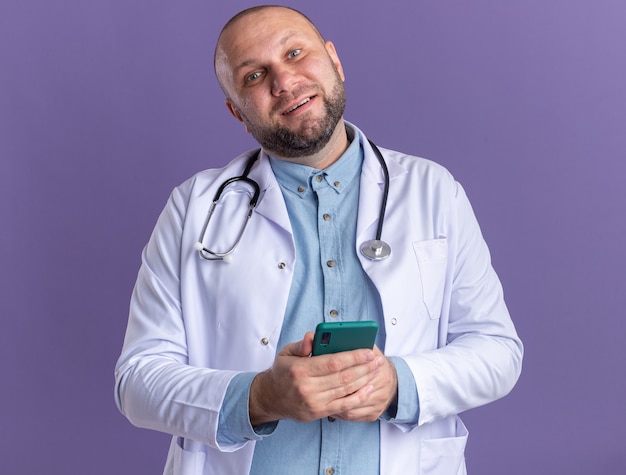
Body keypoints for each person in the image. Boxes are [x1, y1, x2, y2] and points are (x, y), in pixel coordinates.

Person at [114, 5, 523, 475]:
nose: (284, 82)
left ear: (334, 61)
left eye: (295, 53)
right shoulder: (194, 207)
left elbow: (497, 350)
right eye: (253, 75)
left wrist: (398, 384)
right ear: (236, 112)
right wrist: (260, 397)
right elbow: (136, 380)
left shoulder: (434, 191)